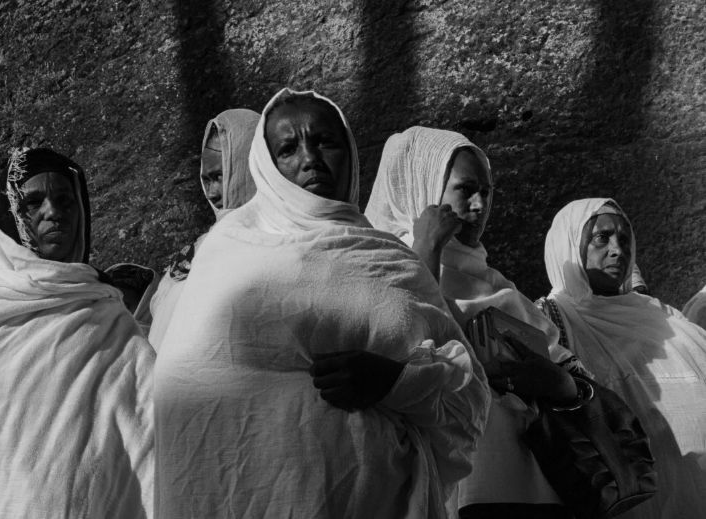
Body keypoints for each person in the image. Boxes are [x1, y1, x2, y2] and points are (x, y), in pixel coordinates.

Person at [154, 90, 488, 519]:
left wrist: (395, 382)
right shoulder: (226, 255)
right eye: (288, 149)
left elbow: (469, 401)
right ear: (266, 166)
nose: (310, 159)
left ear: (350, 152)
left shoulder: (392, 260)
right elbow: (189, 409)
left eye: (325, 142)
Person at [0, 146, 154, 519]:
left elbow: (150, 423)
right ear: (9, 214)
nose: (53, 212)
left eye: (65, 200)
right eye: (33, 202)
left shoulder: (105, 313)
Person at [366, 127, 585, 517]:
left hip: (533, 488)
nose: (479, 204)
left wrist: (551, 381)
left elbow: (574, 378)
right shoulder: (383, 269)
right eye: (465, 190)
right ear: (424, 187)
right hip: (451, 491)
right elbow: (406, 343)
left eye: (487, 191)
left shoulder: (497, 285)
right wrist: (427, 249)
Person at [540, 199, 706, 518]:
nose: (618, 250)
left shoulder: (665, 319)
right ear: (570, 244)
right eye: (601, 238)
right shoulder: (551, 322)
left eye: (624, 238)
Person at [144, 107, 257, 345]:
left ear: (250, 168)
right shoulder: (198, 250)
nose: (212, 193)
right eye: (207, 180)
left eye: (220, 177)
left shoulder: (273, 246)